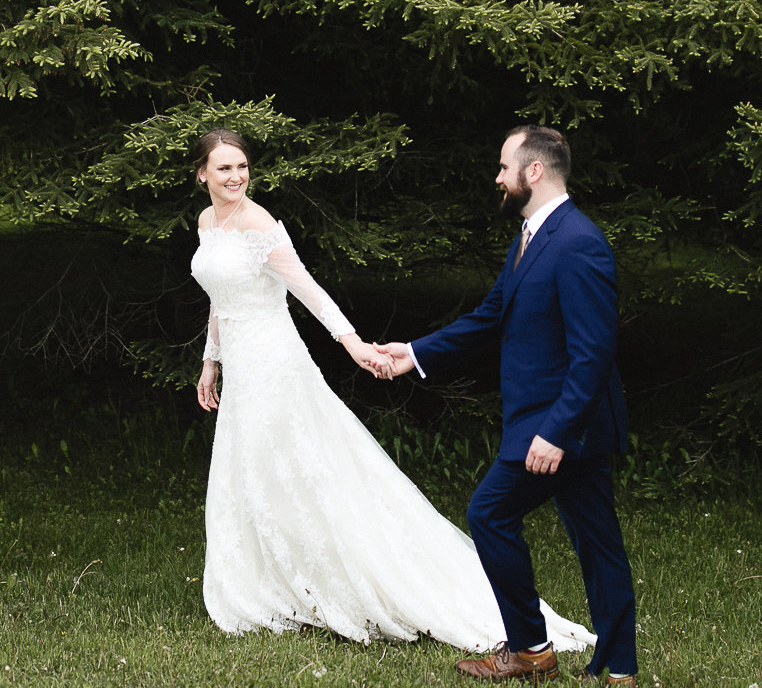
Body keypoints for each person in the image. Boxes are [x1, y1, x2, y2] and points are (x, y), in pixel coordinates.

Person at [189, 127, 593, 653]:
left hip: (275, 363)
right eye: (224, 168)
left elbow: (307, 288)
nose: (236, 177)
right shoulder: (207, 221)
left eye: (242, 166)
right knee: (254, 471)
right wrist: (210, 361)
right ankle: (276, 580)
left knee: (304, 470)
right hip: (240, 365)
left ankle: (347, 579)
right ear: (202, 174)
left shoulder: (259, 222)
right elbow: (221, 297)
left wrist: (354, 344)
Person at [373, 124, 637, 687]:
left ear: (533, 171)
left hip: (561, 425)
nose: (497, 176)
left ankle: (532, 651)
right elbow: (491, 316)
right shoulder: (535, 235)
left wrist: (557, 431)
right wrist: (414, 354)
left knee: (490, 514)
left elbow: (593, 353)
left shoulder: (577, 242)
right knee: (598, 544)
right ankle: (615, 668)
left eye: (503, 166)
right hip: (555, 422)